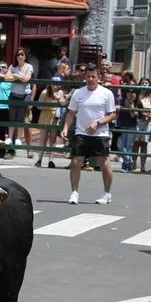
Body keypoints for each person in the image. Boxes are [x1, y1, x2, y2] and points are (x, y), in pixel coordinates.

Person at [60, 66, 117, 205]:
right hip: (81, 132)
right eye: (88, 76)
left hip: (100, 133)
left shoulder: (106, 93)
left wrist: (97, 123)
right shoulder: (78, 93)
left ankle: (107, 193)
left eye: (93, 76)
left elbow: (112, 115)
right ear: (85, 77)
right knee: (75, 162)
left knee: (103, 163)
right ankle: (74, 192)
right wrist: (66, 128)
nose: (91, 79)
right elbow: (71, 113)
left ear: (99, 77)